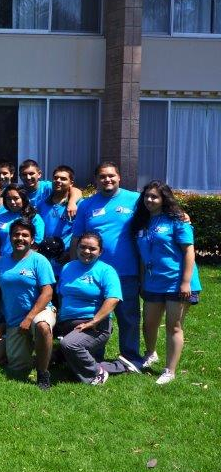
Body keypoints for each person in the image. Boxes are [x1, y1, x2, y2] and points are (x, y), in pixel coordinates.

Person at [70, 161, 143, 370]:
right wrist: (73, 265)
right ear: (96, 180)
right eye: (102, 176)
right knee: (96, 316)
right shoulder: (86, 205)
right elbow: (77, 238)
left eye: (111, 176)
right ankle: (94, 356)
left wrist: (181, 216)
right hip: (95, 273)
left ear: (119, 177)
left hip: (126, 271)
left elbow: (157, 214)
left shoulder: (135, 200)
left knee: (128, 316)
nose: (107, 180)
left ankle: (131, 358)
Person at [134, 181, 201, 385]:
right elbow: (143, 255)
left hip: (177, 282)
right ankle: (150, 354)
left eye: (154, 197)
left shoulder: (177, 220)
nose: (150, 200)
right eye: (147, 196)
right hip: (153, 282)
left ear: (164, 199)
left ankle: (169, 370)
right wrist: (143, 281)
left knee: (174, 326)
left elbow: (189, 251)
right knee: (149, 324)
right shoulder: (142, 222)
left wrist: (186, 282)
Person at [0, 219, 57, 388]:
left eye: (25, 235)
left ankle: (43, 374)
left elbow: (47, 293)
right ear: (10, 238)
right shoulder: (1, 263)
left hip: (39, 312)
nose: (20, 238)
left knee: (42, 326)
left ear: (32, 239)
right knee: (18, 368)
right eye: (16, 234)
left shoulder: (39, 260)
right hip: (14, 322)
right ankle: (53, 354)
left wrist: (29, 318)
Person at [56, 232, 122, 387]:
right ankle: (117, 366)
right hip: (67, 323)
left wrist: (94, 321)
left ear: (100, 251)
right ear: (77, 248)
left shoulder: (106, 271)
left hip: (95, 325)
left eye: (92, 249)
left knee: (69, 345)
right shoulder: (67, 267)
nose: (86, 251)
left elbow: (113, 299)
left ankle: (97, 373)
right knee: (61, 360)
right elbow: (61, 294)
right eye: (83, 247)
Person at [37, 165, 80, 276]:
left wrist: (71, 253)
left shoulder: (78, 205)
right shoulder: (42, 204)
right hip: (44, 263)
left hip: (66, 262)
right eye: (56, 178)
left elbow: (82, 233)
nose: (58, 181)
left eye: (63, 178)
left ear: (71, 183)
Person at [0, 185, 45, 257]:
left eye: (16, 198)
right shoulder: (0, 218)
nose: (12, 202)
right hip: (3, 260)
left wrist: (25, 260)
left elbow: (37, 243)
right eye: (8, 199)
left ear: (23, 199)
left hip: (24, 262)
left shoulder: (33, 217)